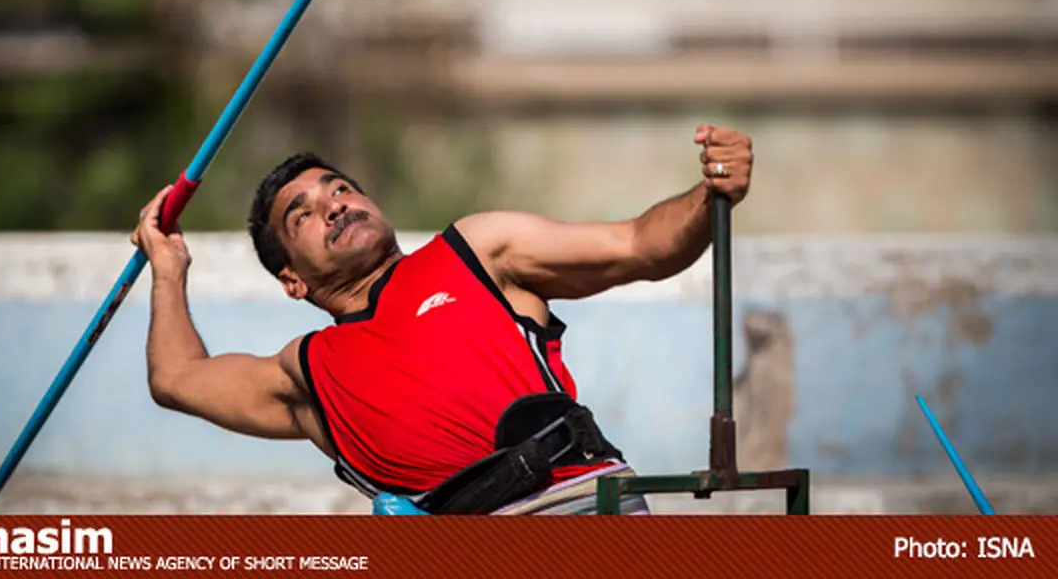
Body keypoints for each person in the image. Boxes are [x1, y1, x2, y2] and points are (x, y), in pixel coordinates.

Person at [131, 123, 753, 515]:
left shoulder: (477, 251)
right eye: (305, 214)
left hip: (576, 508)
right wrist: (168, 266)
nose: (334, 205)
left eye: (339, 188)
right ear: (292, 279)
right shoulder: (308, 372)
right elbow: (177, 378)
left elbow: (641, 245)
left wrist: (709, 191)